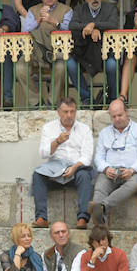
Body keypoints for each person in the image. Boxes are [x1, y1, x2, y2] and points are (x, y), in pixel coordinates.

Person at [32, 97, 94, 229]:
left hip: (76, 167)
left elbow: (87, 157)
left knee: (84, 175)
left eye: (72, 111)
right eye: (65, 112)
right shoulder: (49, 128)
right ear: (58, 112)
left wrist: (74, 167)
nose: (69, 115)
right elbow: (43, 153)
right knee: (37, 175)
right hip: (55, 167)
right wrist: (57, 141)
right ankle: (41, 217)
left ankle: (82, 218)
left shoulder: (84, 129)